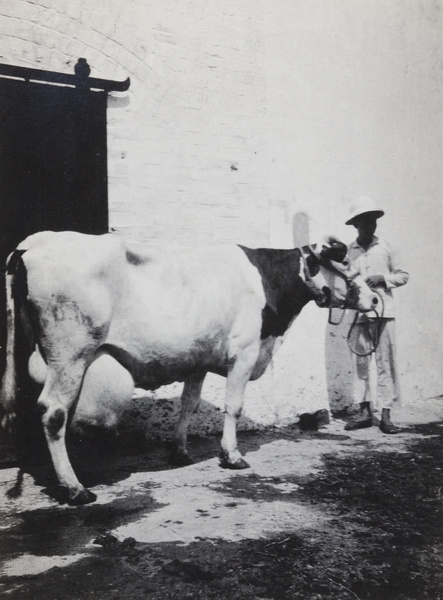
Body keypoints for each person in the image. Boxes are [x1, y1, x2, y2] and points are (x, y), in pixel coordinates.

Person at [344, 196, 409, 434]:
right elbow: (345, 281)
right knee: (360, 362)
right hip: (361, 315)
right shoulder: (349, 252)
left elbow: (403, 275)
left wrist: (384, 279)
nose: (369, 226)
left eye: (372, 221)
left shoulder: (387, 246)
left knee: (385, 363)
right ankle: (364, 412)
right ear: (356, 225)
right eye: (364, 222)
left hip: (385, 312)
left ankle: (386, 415)